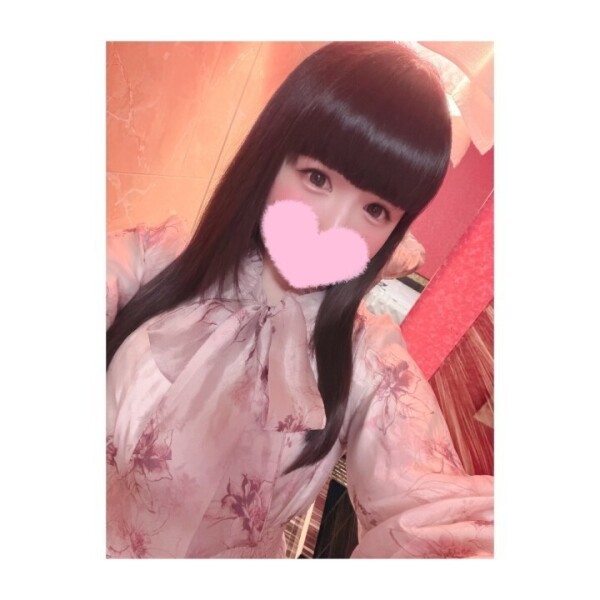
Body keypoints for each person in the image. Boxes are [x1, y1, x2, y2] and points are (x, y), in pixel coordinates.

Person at [106, 41, 494, 558]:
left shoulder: (367, 363)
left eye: (375, 210)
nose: (333, 227)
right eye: (317, 178)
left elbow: (433, 510)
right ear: (271, 157)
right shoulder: (153, 260)